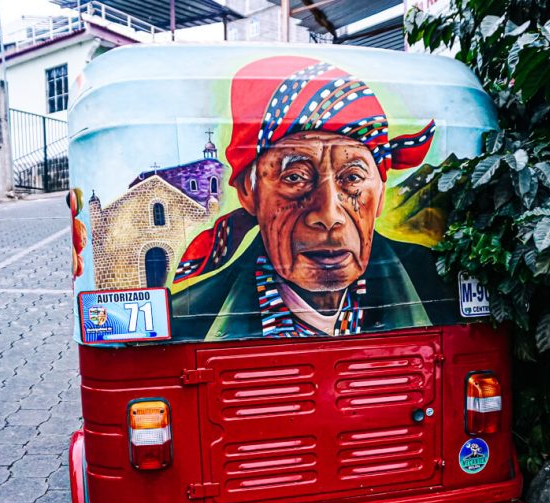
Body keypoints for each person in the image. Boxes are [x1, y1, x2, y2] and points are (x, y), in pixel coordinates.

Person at [169, 56, 457, 341]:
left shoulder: (440, 284)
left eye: (352, 178)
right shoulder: (186, 320)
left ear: (379, 194)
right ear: (248, 192)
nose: (329, 215)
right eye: (294, 177)